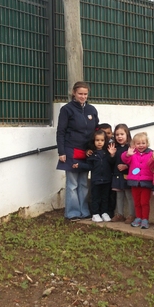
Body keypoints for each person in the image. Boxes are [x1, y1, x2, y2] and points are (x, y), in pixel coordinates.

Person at [56, 81, 99, 221]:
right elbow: (61, 131)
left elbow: (96, 130)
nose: (83, 96)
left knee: (83, 183)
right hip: (71, 150)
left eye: (85, 94)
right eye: (80, 93)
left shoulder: (92, 109)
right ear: (74, 93)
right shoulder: (66, 109)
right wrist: (61, 152)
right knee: (72, 184)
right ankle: (72, 213)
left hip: (87, 151)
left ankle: (84, 211)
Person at [73, 129, 114, 223]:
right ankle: (95, 214)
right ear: (93, 141)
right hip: (96, 180)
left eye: (102, 140)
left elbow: (112, 163)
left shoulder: (107, 152)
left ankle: (104, 212)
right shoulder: (91, 154)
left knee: (105, 197)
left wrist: (112, 155)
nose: (100, 142)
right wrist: (79, 165)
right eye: (97, 140)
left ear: (105, 141)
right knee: (95, 197)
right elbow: (89, 166)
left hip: (107, 180)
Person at [121, 132, 154, 229]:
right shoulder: (132, 153)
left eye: (143, 143)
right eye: (138, 143)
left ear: (147, 143)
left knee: (144, 202)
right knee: (137, 202)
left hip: (146, 182)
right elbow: (124, 159)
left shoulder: (151, 153)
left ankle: (145, 219)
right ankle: (138, 218)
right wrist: (127, 154)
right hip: (134, 182)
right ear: (134, 144)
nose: (141, 145)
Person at [110, 124, 136, 224]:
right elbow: (111, 163)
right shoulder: (114, 148)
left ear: (127, 134)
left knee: (129, 196)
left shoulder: (131, 148)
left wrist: (127, 166)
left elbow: (136, 164)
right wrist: (112, 155)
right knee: (119, 196)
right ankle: (120, 214)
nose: (119, 137)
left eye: (122, 134)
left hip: (128, 176)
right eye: (117, 134)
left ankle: (132, 215)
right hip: (117, 176)